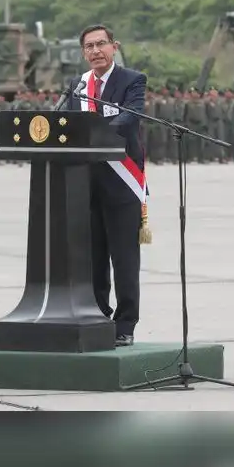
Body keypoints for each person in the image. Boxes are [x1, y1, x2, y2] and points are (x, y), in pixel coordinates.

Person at [64, 24, 148, 347]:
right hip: (85, 182)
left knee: (124, 257)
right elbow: (68, 123)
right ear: (83, 52)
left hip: (122, 181)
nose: (96, 51)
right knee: (93, 256)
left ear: (114, 46)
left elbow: (130, 118)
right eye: (89, 47)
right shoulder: (77, 85)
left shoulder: (132, 81)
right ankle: (97, 316)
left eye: (101, 44)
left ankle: (125, 323)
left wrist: (95, 133)